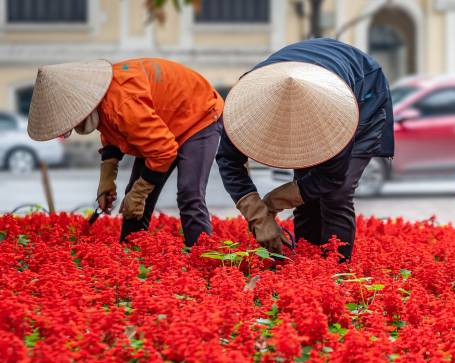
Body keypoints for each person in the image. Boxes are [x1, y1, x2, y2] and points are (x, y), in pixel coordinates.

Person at [216, 38, 394, 261]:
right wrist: (259, 216)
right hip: (311, 73)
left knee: (336, 195)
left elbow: (331, 177)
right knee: (308, 195)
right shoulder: (242, 107)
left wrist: (273, 202)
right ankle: (305, 266)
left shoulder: (335, 113)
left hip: (364, 92)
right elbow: (228, 161)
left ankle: (335, 274)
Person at [27, 58, 223, 247]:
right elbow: (112, 133)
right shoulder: (103, 101)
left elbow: (163, 151)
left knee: (189, 193)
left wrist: (138, 195)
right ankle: (131, 255)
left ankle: (203, 259)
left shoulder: (122, 104)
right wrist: (107, 181)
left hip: (200, 116)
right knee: (134, 195)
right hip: (164, 125)